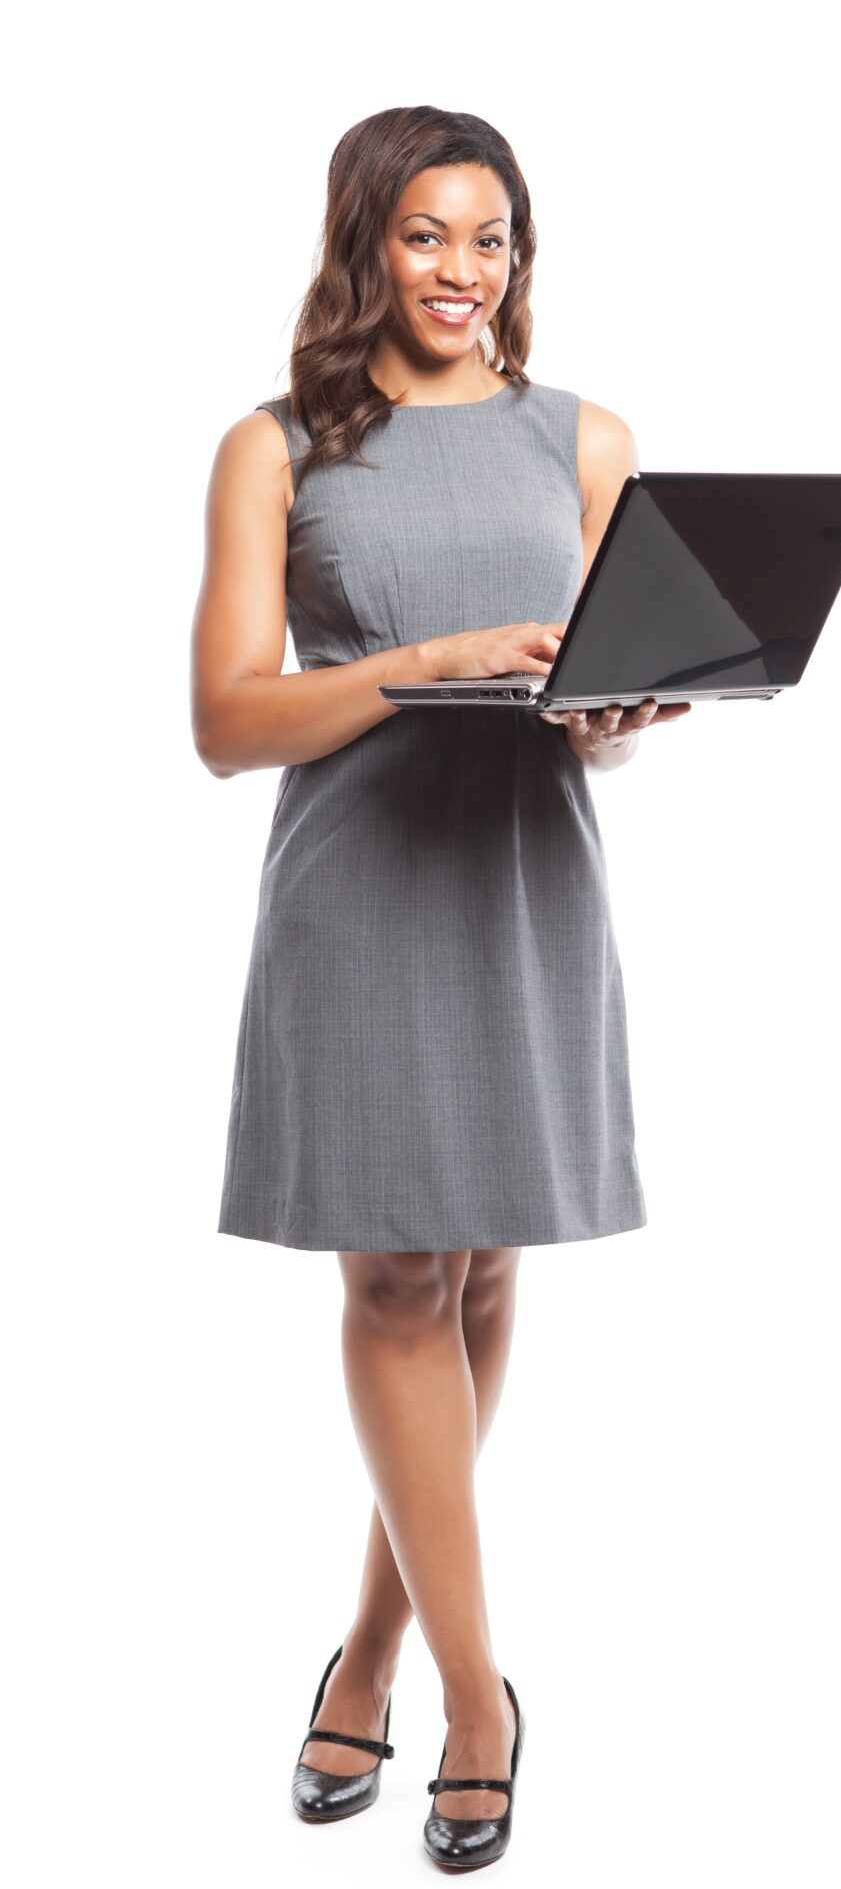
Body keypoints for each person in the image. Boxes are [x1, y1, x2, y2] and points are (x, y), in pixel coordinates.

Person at [190, 103, 691, 1871]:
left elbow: (602, 710)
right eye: (425, 237)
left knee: (476, 1265)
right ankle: (482, 1701)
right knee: (398, 1272)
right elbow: (228, 724)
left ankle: (379, 1645)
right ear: (364, 248)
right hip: (359, 887)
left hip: (525, 874)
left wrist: (621, 718)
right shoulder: (277, 452)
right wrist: (420, 666)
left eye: (489, 239)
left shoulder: (589, 441)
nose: (462, 273)